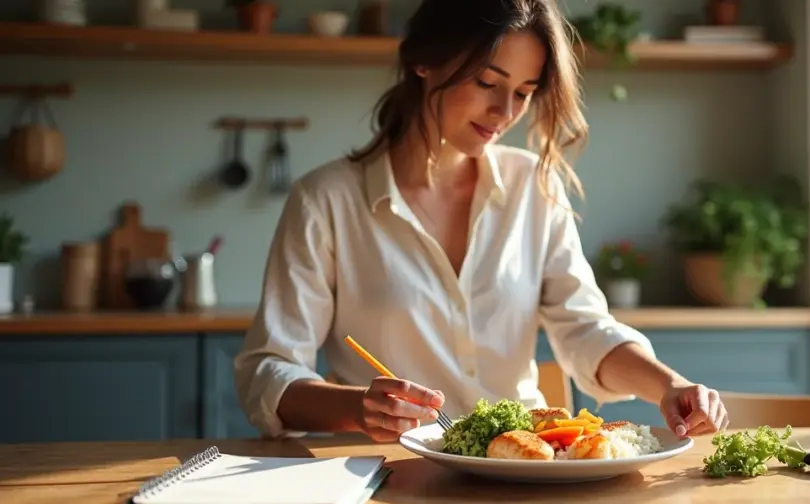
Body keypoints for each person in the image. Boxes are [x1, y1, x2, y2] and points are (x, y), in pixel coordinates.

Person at [233, 0, 729, 443]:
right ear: (424, 60)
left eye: (524, 92)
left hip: (526, 464)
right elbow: (268, 370)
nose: (504, 112)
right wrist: (356, 408)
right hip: (389, 472)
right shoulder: (325, 200)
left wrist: (669, 386)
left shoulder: (534, 187)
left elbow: (585, 329)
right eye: (487, 83)